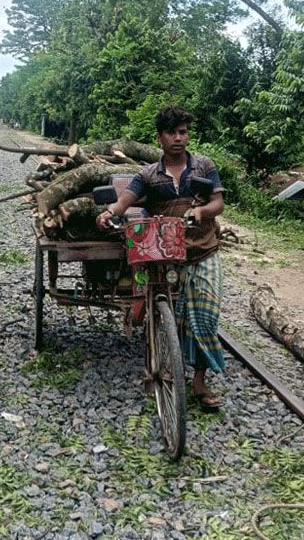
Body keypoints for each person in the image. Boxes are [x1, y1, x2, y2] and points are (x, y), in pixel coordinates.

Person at [96, 105, 227, 412]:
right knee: (175, 319)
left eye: (182, 132)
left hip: (203, 251)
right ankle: (167, 365)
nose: (178, 138)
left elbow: (218, 202)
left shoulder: (205, 167)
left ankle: (198, 382)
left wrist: (202, 211)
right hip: (167, 257)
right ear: (160, 138)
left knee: (206, 320)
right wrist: (109, 212)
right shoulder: (149, 175)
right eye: (171, 133)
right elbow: (125, 200)